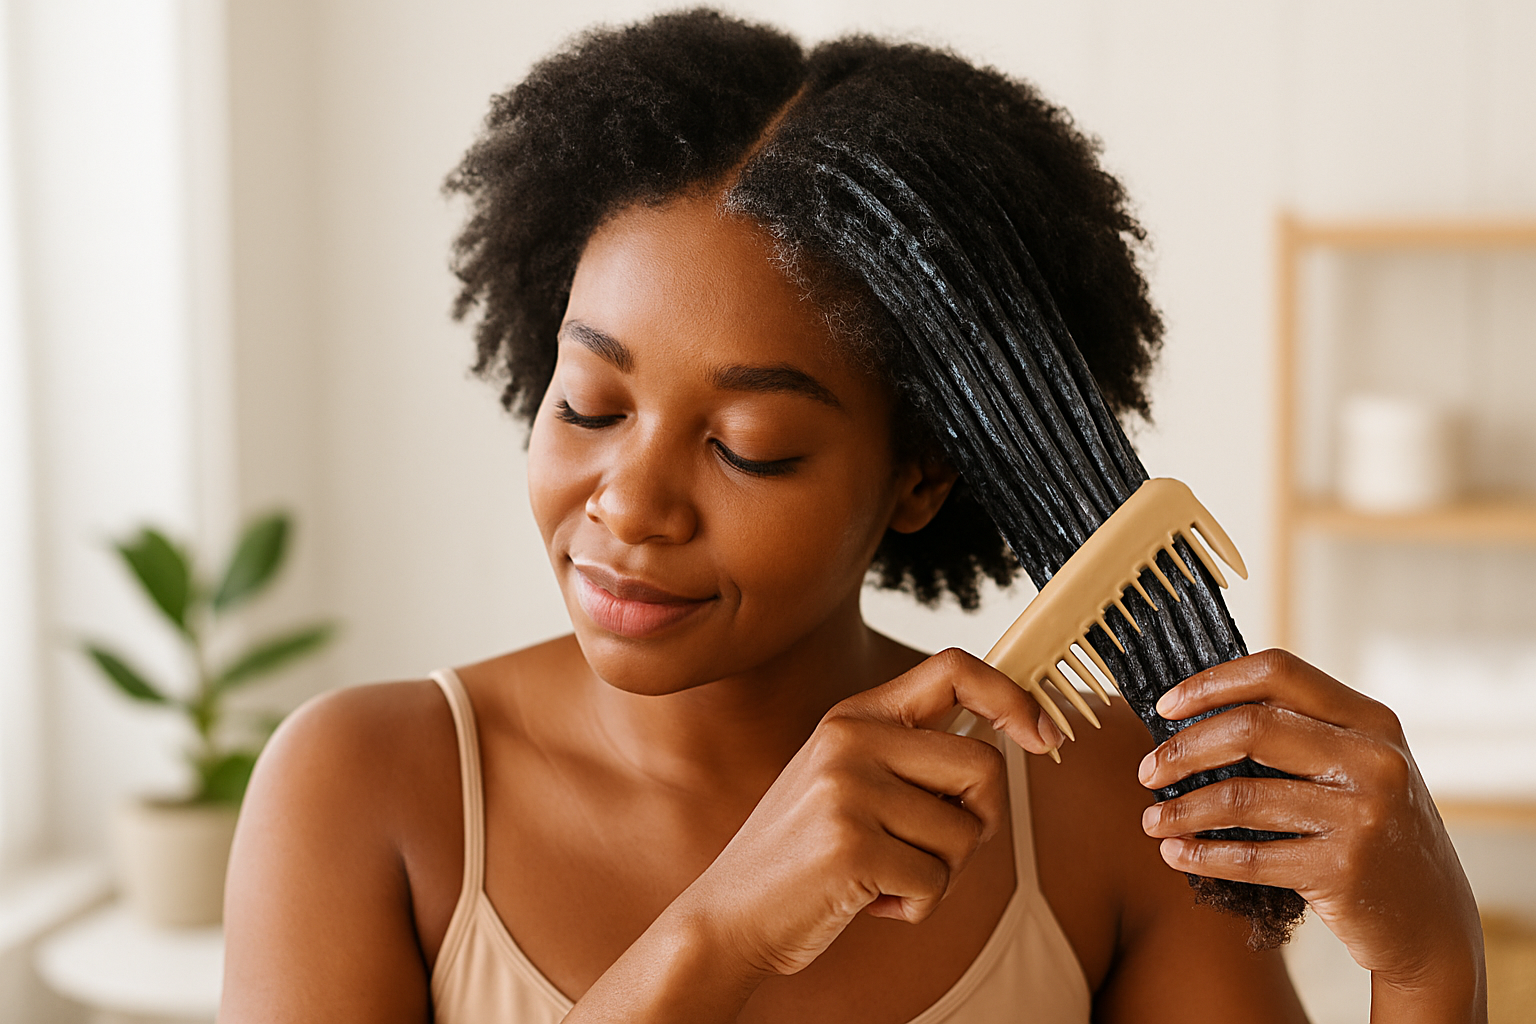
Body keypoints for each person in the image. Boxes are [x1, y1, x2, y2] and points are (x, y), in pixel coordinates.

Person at [220, 10, 1487, 1022]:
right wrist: (719, 934)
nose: (631, 503)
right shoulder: (363, 790)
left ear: (919, 475)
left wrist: (1431, 963)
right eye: (591, 404)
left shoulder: (1108, 804)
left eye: (748, 446)